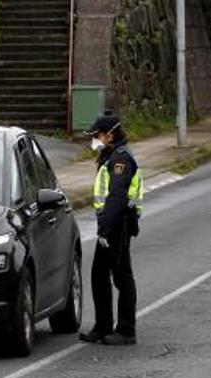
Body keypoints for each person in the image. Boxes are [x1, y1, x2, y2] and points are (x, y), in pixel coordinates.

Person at [79, 111, 142, 346]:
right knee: (98, 275)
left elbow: (116, 197)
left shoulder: (120, 160)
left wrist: (105, 230)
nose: (94, 139)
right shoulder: (110, 155)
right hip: (109, 225)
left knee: (122, 277)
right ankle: (103, 326)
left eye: (98, 135)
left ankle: (126, 330)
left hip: (118, 225)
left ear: (111, 135)